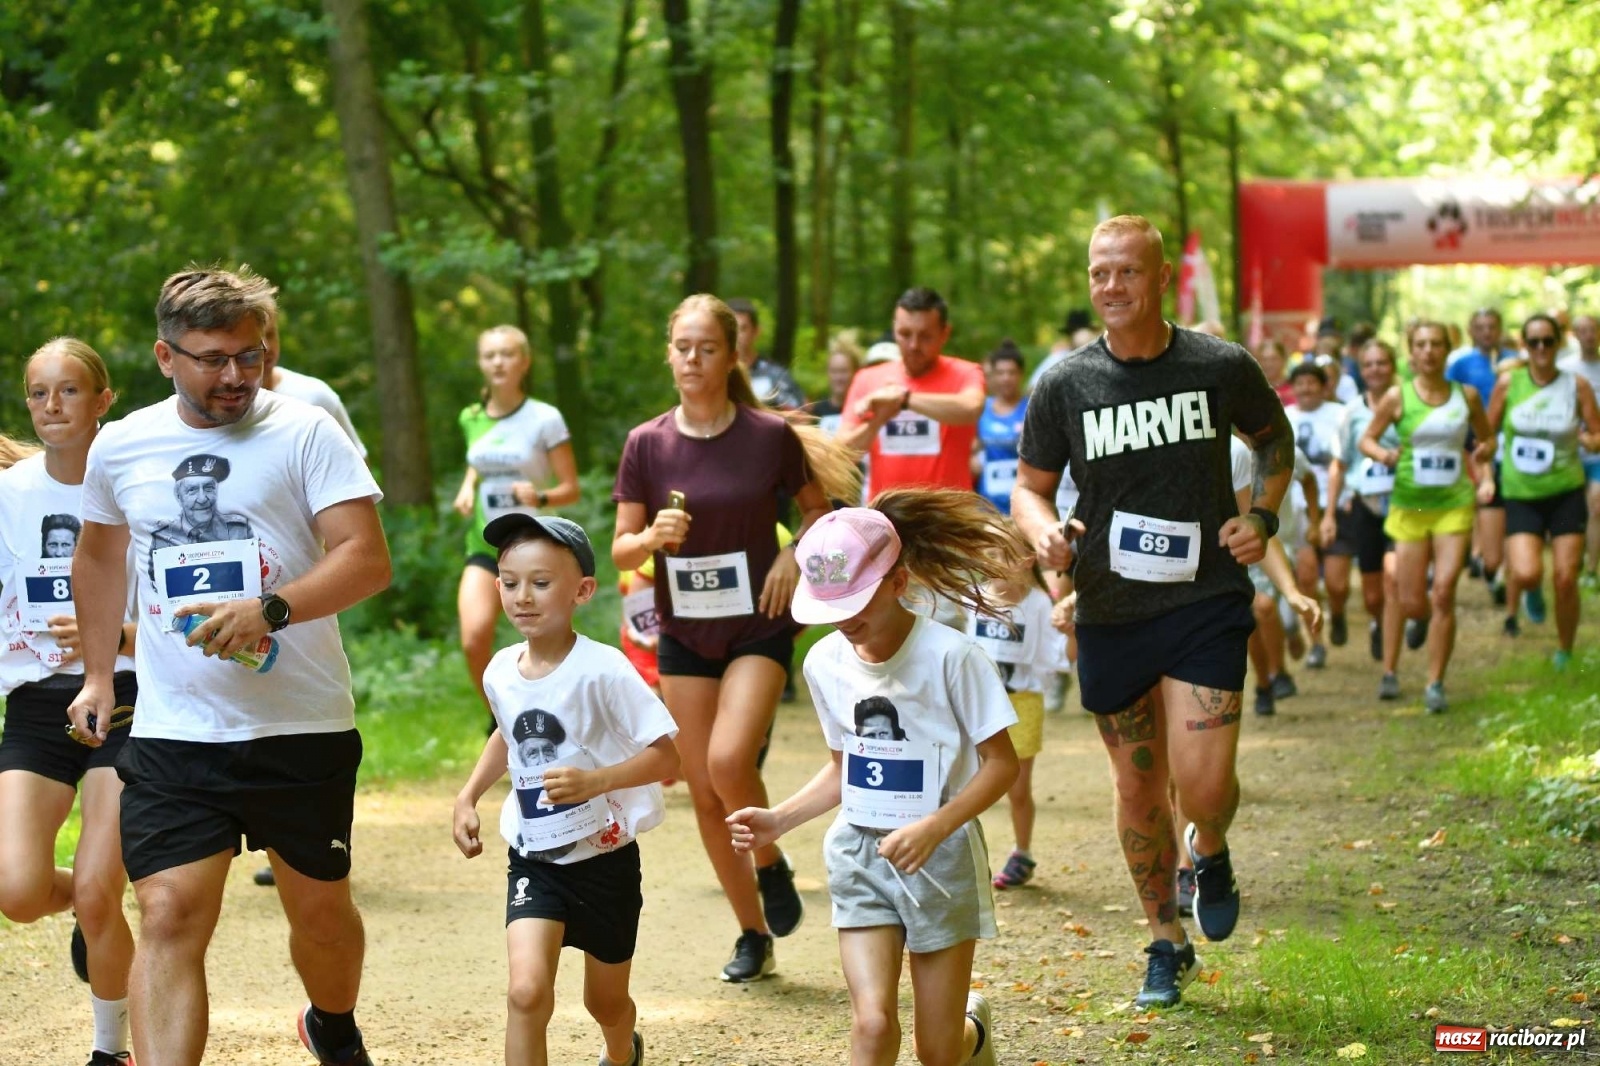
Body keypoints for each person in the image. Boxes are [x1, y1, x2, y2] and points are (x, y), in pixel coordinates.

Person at [68, 266, 391, 1066]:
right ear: (165, 356)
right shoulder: (124, 442)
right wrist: (102, 675)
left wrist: (272, 609)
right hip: (180, 730)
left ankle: (332, 1021)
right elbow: (102, 556)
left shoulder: (307, 429)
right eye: (212, 359)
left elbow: (366, 559)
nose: (235, 376)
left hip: (300, 721)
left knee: (319, 916)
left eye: (251, 355)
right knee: (170, 913)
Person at [1012, 215, 1294, 1009]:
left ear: (1161, 277)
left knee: (1202, 788)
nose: (1110, 287)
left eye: (1127, 273)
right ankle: (1165, 942)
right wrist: (1044, 536)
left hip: (1204, 600)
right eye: (1100, 273)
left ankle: (1210, 844)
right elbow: (1030, 487)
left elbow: (1276, 441)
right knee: (1138, 790)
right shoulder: (1065, 383)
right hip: (1111, 608)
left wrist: (1262, 517)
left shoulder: (1218, 366)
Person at [727, 494, 1025, 1066]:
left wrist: (935, 828)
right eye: (831, 605)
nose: (844, 619)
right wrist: (779, 820)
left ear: (898, 581)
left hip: (939, 859)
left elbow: (1002, 765)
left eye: (856, 601)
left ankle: (972, 1033)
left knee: (938, 1052)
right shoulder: (824, 663)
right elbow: (848, 768)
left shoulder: (953, 659)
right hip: (859, 853)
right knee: (870, 1025)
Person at [611, 294, 859, 982]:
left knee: (726, 761)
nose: (693, 359)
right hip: (685, 631)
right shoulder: (647, 444)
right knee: (704, 784)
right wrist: (650, 537)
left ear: (731, 356)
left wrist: (791, 554)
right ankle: (753, 931)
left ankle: (770, 855)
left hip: (758, 624)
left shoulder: (767, 436)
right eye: (682, 347)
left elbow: (821, 515)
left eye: (707, 348)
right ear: (670, 354)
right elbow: (621, 552)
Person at [452, 513, 679, 1066]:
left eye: (541, 582)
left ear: (581, 591)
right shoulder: (501, 670)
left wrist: (598, 781)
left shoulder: (605, 670)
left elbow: (667, 756)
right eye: (508, 582)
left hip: (606, 862)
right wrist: (468, 795)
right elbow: (506, 737)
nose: (521, 597)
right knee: (526, 992)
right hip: (536, 858)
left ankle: (622, 1051)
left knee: (604, 1001)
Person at [0, 339, 139, 1066]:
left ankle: (109, 1048)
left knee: (95, 883)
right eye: (38, 393)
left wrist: (118, 633)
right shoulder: (9, 497)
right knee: (18, 892)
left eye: (69, 391)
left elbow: (182, 614)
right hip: (34, 705)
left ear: (102, 401)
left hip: (125, 697)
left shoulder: (134, 489)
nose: (52, 406)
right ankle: (97, 913)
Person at [1360, 320, 1495, 713]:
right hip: (1411, 507)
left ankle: (1435, 683)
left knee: (1445, 591)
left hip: (1453, 504)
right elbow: (1366, 438)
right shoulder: (1396, 397)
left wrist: (1484, 463)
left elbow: (1486, 440)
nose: (1429, 351)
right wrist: (1382, 454)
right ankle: (1417, 620)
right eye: (1420, 344)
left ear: (1446, 350)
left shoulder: (1466, 396)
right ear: (1411, 351)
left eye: (1436, 344)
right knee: (1411, 601)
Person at [453, 325, 581, 719]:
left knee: (544, 642)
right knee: (475, 638)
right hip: (485, 546)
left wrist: (540, 497)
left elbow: (571, 488)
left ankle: (556, 715)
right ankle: (505, 719)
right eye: (490, 355)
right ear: (481, 363)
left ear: (524, 362)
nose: (498, 362)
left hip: (536, 550)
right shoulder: (470, 417)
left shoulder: (545, 418)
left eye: (507, 354)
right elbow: (480, 461)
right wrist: (467, 486)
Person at [1485, 314, 1600, 667]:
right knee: (1526, 572)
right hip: (1521, 491)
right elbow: (1487, 434)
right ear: (1524, 345)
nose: (1541, 349)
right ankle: (1530, 592)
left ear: (1557, 343)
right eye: (1533, 342)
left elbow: (1596, 434)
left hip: (1565, 489)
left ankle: (1564, 648)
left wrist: (1588, 441)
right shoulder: (1509, 384)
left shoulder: (1576, 385)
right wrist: (1484, 468)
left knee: (1566, 577)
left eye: (1547, 341)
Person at [963, 551, 1069, 890]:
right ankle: (956, 854)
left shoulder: (1039, 604)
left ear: (1025, 561)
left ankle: (1022, 854)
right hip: (975, 702)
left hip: (1021, 704)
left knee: (1017, 788)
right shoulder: (971, 598)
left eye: (1001, 556)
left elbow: (1060, 656)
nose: (991, 562)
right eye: (987, 554)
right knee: (961, 781)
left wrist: (1073, 630)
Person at [838, 288, 986, 498]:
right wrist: (878, 419)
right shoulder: (867, 379)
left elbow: (971, 408)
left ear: (944, 333)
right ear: (894, 328)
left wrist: (904, 399)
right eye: (905, 334)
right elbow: (842, 455)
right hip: (889, 517)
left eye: (925, 336)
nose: (914, 345)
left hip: (951, 517)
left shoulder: (965, 373)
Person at [1323, 339, 1406, 697]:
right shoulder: (1351, 412)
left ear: (1392, 366)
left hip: (1407, 503)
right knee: (1373, 595)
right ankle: (1377, 622)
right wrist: (1328, 513)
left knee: (1396, 581)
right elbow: (1339, 464)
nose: (1375, 370)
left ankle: (1391, 665)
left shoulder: (1410, 403)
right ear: (1361, 369)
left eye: (1381, 363)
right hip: (1365, 505)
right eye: (1368, 364)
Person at [1448, 308, 1521, 605]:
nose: (1487, 332)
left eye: (1492, 326)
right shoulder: (1460, 364)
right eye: (1481, 327)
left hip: (1511, 439)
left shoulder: (1515, 361)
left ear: (1500, 328)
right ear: (1471, 330)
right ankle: (1487, 560)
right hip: (1473, 439)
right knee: (1483, 496)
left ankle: (1504, 567)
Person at [1285, 362, 1345, 667]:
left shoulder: (1340, 414)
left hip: (1336, 504)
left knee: (1337, 583)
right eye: (1300, 383)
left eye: (1312, 383)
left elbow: (1346, 459)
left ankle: (1339, 611)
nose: (1306, 388)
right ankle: (1317, 642)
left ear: (1324, 386)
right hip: (1299, 508)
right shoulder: (1284, 417)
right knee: (1307, 578)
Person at [263, 313, 366, 457]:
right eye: (255, 339)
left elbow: (358, 467)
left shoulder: (314, 398)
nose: (266, 347)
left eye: (270, 334)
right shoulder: (224, 409)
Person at [1557, 314, 1600, 586]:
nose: (1588, 335)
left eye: (1592, 330)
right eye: (1582, 330)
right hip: (1569, 451)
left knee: (1597, 506)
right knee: (1573, 511)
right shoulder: (1564, 368)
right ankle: (1568, 565)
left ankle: (1591, 570)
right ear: (1574, 334)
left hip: (1597, 451)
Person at [970, 340, 1028, 515]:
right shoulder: (981, 408)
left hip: (1023, 504)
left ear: (1020, 374)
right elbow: (970, 448)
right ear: (993, 375)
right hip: (988, 505)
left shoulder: (1032, 408)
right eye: (1001, 373)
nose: (1006, 378)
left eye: (1011, 372)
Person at [728, 298, 807, 410]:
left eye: (743, 329)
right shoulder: (715, 374)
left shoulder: (775, 375)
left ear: (756, 332)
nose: (736, 336)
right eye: (731, 330)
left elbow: (798, 415)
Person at [809, 339, 862, 436]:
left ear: (855, 372)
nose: (838, 377)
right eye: (834, 371)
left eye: (844, 371)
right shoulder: (817, 410)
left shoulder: (863, 409)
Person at [1254, 337, 1295, 406]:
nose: (1269, 364)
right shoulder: (1251, 390)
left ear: (1284, 360)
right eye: (1264, 359)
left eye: (1274, 359)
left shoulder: (1295, 388)